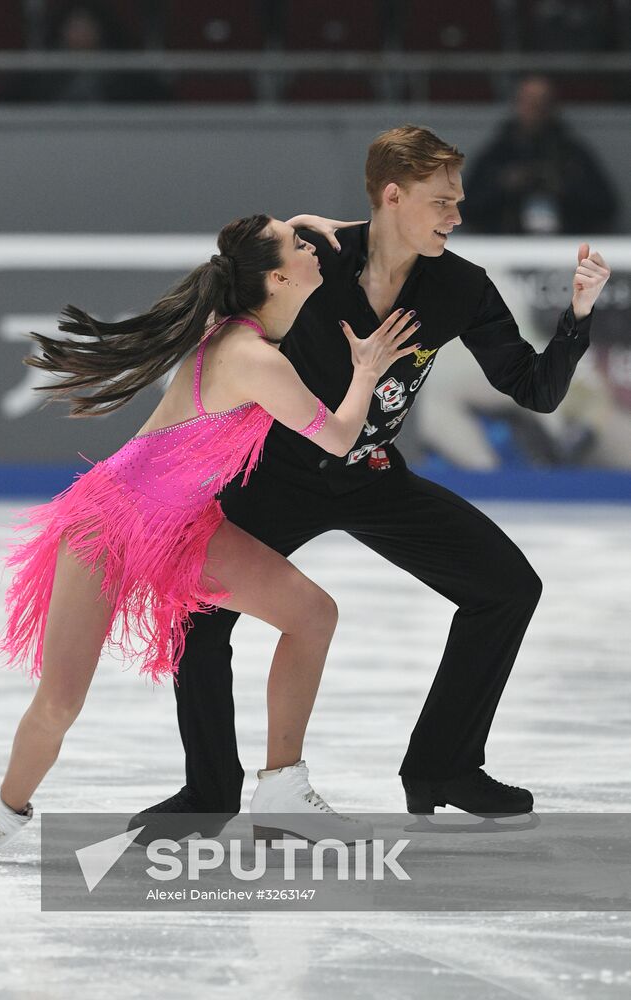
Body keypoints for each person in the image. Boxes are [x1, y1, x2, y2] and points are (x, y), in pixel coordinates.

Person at [133, 124, 611, 833]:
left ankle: (443, 764)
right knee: (199, 617)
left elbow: (534, 389)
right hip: (276, 475)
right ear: (393, 196)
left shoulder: (460, 286)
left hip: (373, 473)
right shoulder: (317, 257)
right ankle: (210, 790)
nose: (456, 214)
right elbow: (248, 269)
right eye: (442, 201)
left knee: (507, 589)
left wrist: (576, 317)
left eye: (457, 200)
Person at [0, 214, 421, 864]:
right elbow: (342, 438)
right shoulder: (251, 357)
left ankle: (284, 788)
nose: (313, 247)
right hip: (110, 526)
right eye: (300, 244)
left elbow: (253, 248)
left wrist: (301, 221)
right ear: (277, 277)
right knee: (61, 700)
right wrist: (367, 369)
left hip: (187, 528)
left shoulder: (246, 326)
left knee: (312, 614)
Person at [462, 75, 618, 235]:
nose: (536, 107)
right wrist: (504, 185)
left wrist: (564, 186)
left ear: (553, 106)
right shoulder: (497, 154)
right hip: (507, 245)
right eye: (529, 101)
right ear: (517, 104)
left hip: (565, 245)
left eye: (542, 101)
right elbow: (468, 208)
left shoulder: (573, 153)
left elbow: (606, 206)